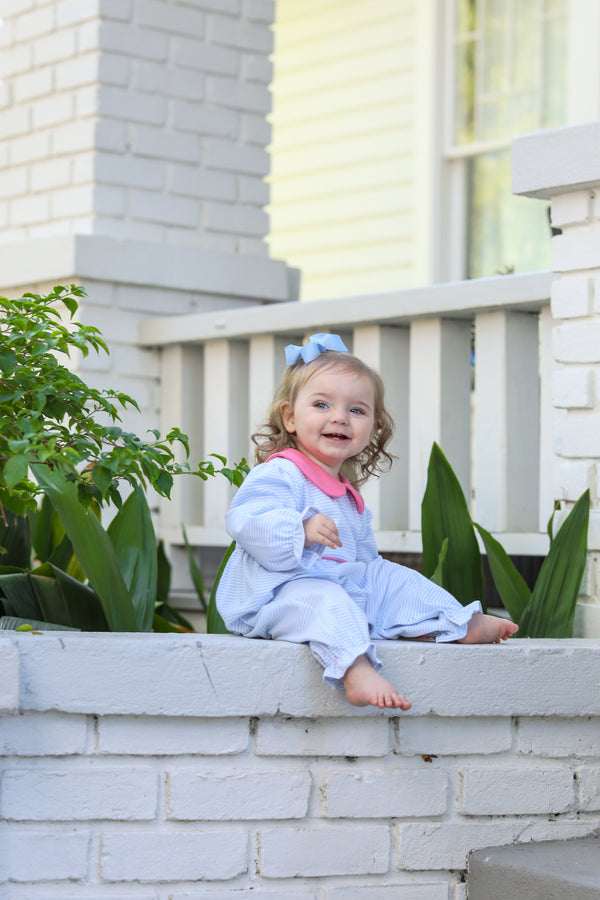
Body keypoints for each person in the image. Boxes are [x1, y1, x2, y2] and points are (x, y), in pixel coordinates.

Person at [216, 333, 518, 710]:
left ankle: (453, 622)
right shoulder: (281, 473)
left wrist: (380, 584)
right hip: (277, 594)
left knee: (392, 577)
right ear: (290, 417)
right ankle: (355, 671)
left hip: (338, 587)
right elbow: (246, 520)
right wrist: (300, 528)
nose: (340, 417)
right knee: (325, 600)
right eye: (322, 404)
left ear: (373, 426)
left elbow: (364, 561)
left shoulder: (345, 493)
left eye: (357, 410)